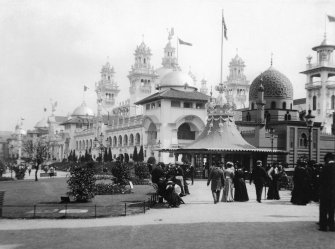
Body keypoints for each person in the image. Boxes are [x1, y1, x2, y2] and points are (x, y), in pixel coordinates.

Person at [319, 153, 335, 231]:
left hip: (325, 192)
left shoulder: (325, 167)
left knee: (324, 210)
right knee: (332, 210)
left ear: (328, 159)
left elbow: (321, 180)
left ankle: (323, 226)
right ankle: (332, 226)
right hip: (333, 192)